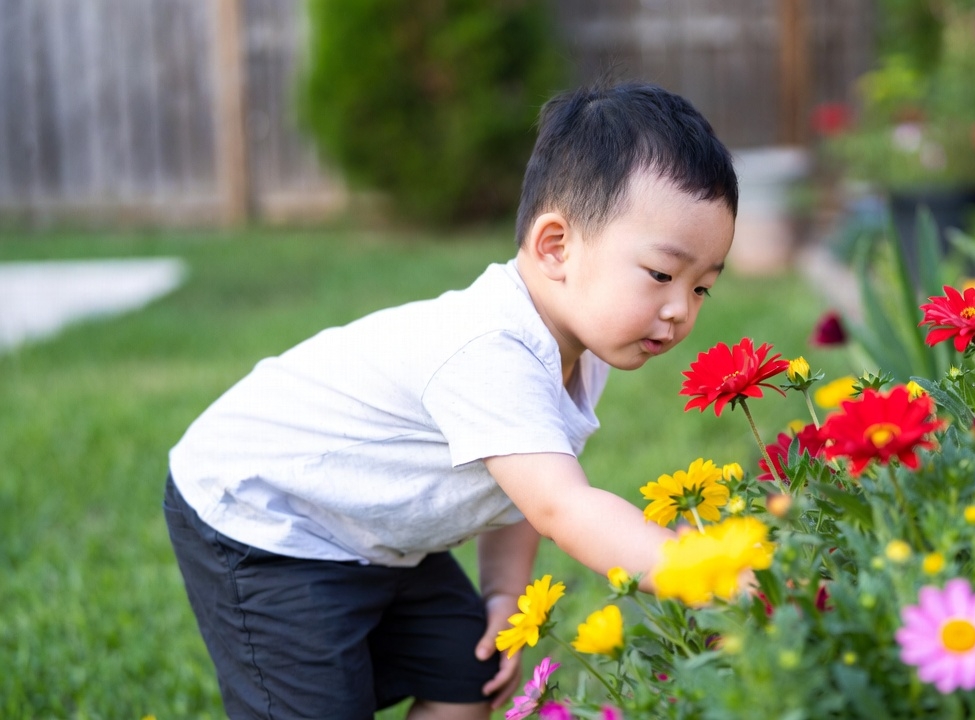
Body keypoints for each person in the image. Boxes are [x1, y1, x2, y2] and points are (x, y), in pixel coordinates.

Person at [163, 82, 739, 720]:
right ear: (556, 248)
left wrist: (503, 593)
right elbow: (560, 506)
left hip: (369, 529)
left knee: (470, 671)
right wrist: (703, 567)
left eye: (702, 288)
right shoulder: (490, 352)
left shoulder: (582, 346)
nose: (679, 310)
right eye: (662, 275)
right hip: (266, 516)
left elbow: (524, 487)